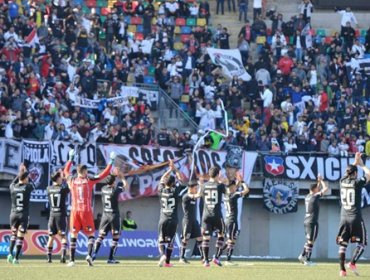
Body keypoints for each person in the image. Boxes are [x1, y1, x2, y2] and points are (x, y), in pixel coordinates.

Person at [64, 149, 116, 267]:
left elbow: (66, 171)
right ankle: (88, 255)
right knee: (91, 234)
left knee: (73, 234)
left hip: (74, 211)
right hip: (86, 211)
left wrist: (70, 159)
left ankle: (71, 260)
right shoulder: (89, 180)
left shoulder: (71, 180)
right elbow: (104, 174)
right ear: (85, 171)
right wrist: (111, 162)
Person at [337, 152, 370, 277]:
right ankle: (352, 262)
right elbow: (369, 174)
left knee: (343, 244)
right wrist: (362, 165)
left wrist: (355, 163)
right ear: (355, 174)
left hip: (343, 217)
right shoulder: (357, 183)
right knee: (362, 243)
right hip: (355, 217)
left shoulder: (342, 181)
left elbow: (349, 172)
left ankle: (342, 271)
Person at [93, 172, 128, 264]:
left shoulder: (103, 188)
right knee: (116, 237)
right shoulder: (116, 189)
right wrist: (122, 177)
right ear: (114, 182)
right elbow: (125, 186)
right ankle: (110, 258)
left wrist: (113, 176)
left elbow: (110, 183)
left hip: (105, 216)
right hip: (114, 215)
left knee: (100, 236)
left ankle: (94, 254)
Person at [158, 160, 186, 267]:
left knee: (160, 239)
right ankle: (167, 263)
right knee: (170, 241)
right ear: (173, 183)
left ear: (165, 183)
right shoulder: (175, 190)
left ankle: (162, 255)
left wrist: (169, 170)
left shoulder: (161, 190)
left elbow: (161, 179)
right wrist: (175, 169)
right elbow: (181, 179)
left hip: (163, 218)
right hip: (173, 220)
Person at [298, 174, 329, 266]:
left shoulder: (307, 196)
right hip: (312, 221)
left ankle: (302, 255)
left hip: (306, 221)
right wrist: (322, 180)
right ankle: (307, 260)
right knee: (311, 241)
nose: (318, 189)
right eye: (317, 188)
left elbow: (316, 189)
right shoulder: (315, 196)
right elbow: (326, 188)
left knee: (308, 240)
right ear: (315, 190)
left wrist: (318, 182)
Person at [7, 164, 34, 265]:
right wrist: (25, 171)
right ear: (26, 178)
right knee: (20, 237)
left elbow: (13, 182)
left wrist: (20, 173)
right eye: (27, 177)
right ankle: (16, 258)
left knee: (13, 235)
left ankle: (10, 253)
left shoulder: (12, 187)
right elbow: (33, 184)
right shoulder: (28, 187)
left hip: (13, 215)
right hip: (23, 215)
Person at [201, 166, 226, 267]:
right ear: (218, 174)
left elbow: (200, 195)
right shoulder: (220, 186)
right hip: (217, 215)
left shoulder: (203, 186)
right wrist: (222, 181)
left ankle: (206, 261)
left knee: (206, 238)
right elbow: (228, 193)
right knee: (221, 235)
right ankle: (216, 257)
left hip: (206, 215)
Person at [223, 171, 249, 265]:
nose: (235, 187)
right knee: (231, 240)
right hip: (232, 219)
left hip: (227, 219)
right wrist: (242, 182)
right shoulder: (234, 195)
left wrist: (237, 182)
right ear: (232, 187)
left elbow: (234, 188)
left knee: (231, 238)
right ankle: (227, 259)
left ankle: (218, 255)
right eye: (234, 186)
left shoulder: (227, 194)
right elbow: (246, 190)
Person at [46, 170, 70, 263]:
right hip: (61, 215)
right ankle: (63, 256)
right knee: (63, 237)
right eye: (60, 177)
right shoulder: (63, 188)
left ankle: (49, 258)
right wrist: (65, 178)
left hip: (52, 216)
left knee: (51, 237)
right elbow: (68, 187)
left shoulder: (48, 188)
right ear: (58, 178)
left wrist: (60, 177)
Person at [179, 180, 203, 264]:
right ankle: (181, 257)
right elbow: (198, 195)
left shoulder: (193, 195)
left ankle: (203, 257)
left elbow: (198, 195)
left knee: (200, 238)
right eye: (195, 188)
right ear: (190, 188)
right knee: (185, 239)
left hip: (194, 220)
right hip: (187, 221)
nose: (196, 190)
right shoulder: (186, 196)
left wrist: (200, 186)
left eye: (197, 188)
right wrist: (201, 185)